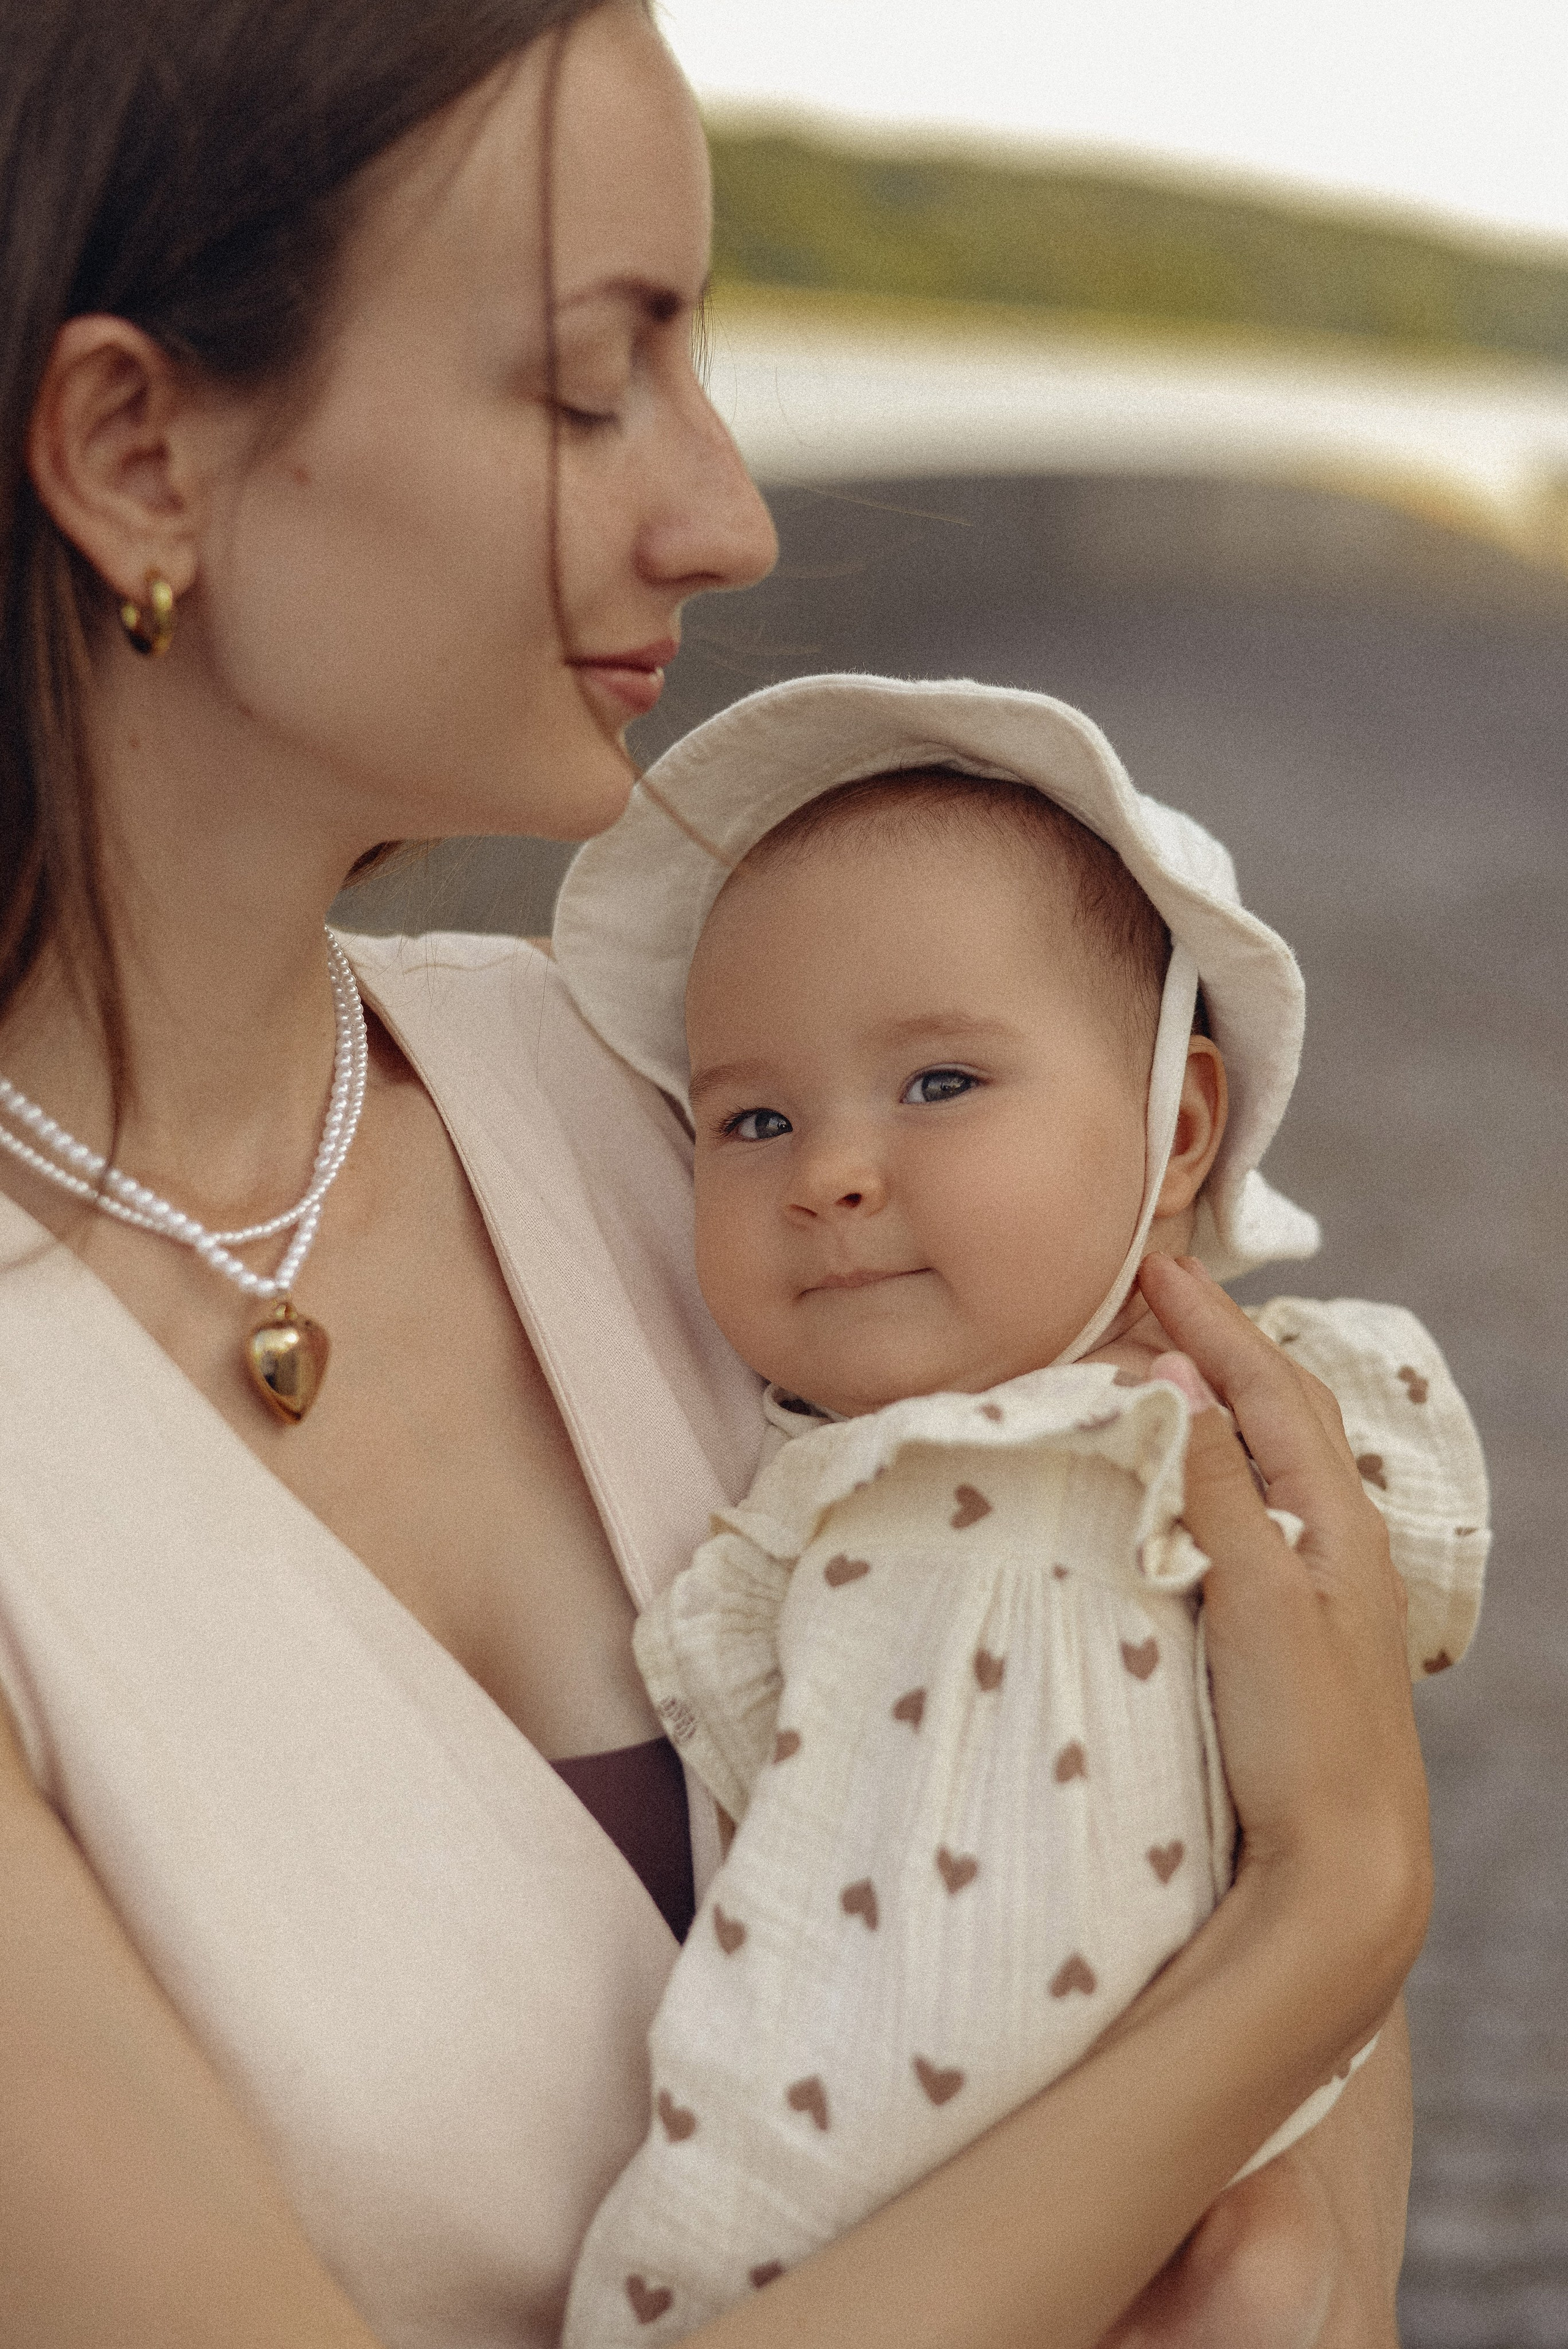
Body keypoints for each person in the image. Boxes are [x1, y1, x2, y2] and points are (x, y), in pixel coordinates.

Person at [0, 4, 1428, 2346]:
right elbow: (1301, 1896)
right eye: (595, 384)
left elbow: (1191, 1690)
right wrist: (1331, 1926)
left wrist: (1321, 2229)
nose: (732, 514)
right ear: (138, 450)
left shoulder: (693, 1112)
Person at [551, 677, 1487, 2345]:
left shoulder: (1221, 1435)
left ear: (1176, 1125)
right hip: (852, 2249)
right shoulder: (805, 1486)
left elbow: (1387, 1622)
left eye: (938, 1085)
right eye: (753, 1117)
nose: (828, 1170)